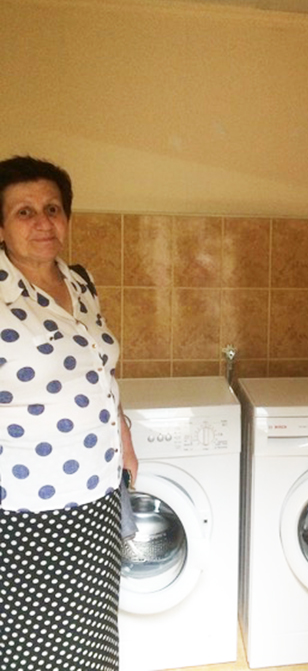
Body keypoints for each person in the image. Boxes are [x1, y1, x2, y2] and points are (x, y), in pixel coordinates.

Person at [0, 155, 138, 671]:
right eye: (24, 212)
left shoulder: (79, 281)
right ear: (2, 225)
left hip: (97, 492)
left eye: (53, 208)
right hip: (23, 506)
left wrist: (122, 431)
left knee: (91, 637)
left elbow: (98, 368)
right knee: (27, 646)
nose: (43, 222)